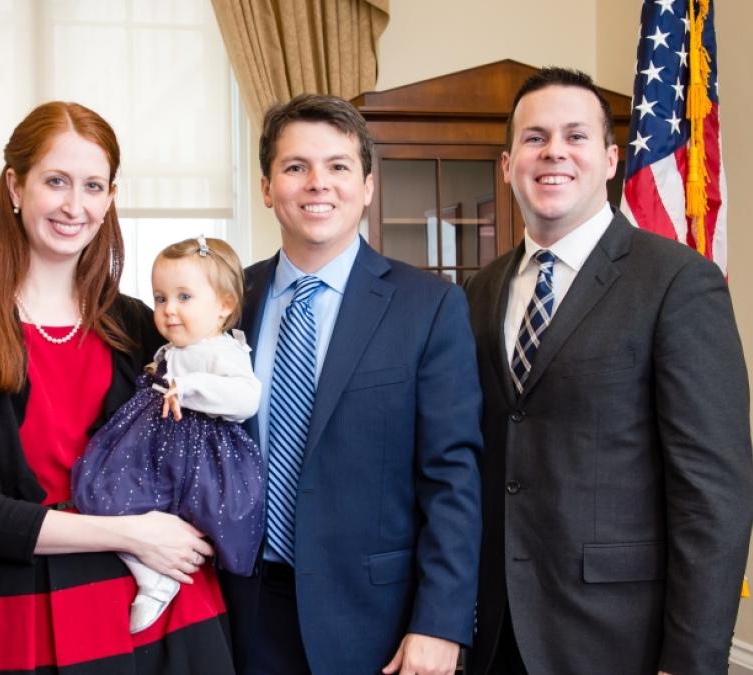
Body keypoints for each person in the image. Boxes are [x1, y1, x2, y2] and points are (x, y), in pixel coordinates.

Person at [0, 101, 235, 674]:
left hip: (166, 599)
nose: (75, 206)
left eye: (93, 186)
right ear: (15, 187)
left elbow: (205, 444)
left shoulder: (141, 326)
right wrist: (133, 534)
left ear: (110, 197)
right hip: (33, 605)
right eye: (56, 181)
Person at [464, 67, 753, 675]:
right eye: (535, 137)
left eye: (576, 136)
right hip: (496, 634)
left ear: (611, 159)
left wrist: (690, 660)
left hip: (621, 639)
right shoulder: (480, 290)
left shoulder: (677, 282)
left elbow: (713, 495)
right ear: (508, 164)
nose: (554, 152)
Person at [221, 93, 483, 675]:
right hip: (240, 614)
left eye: (338, 166)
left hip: (375, 625)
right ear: (267, 188)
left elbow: (452, 479)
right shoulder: (230, 300)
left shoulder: (429, 306)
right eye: (296, 167)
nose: (318, 184)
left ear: (366, 186)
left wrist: (440, 623)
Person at [72, 235, 264, 633]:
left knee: (182, 515)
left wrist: (189, 388)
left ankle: (158, 580)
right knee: (106, 495)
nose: (168, 310)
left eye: (184, 297)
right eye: (160, 299)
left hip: (200, 453)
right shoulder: (168, 350)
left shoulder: (222, 350)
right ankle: (150, 572)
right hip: (156, 444)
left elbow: (246, 398)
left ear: (224, 305)